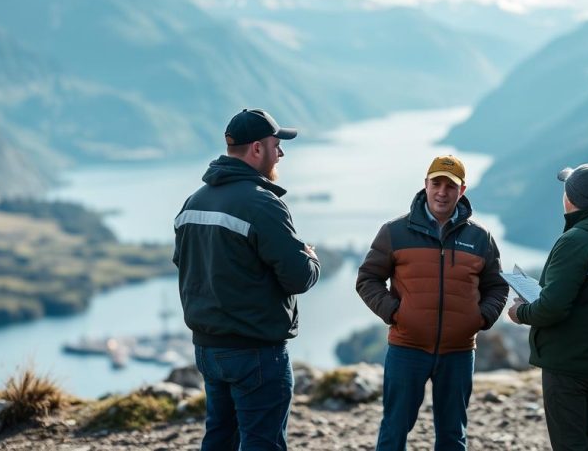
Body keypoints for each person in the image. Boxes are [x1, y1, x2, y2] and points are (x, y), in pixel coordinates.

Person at [173, 108, 320, 451]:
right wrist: (310, 258)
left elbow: (185, 264)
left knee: (219, 438)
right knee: (262, 443)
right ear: (257, 148)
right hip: (255, 350)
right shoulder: (262, 203)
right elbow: (298, 277)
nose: (281, 153)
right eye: (276, 144)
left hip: (208, 348)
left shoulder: (193, 202)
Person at [356, 155, 509, 451]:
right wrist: (395, 312)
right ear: (425, 185)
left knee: (453, 434)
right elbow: (367, 279)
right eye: (436, 183)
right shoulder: (395, 232)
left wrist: (480, 318)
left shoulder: (480, 238)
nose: (442, 192)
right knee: (394, 428)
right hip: (406, 349)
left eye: (450, 186)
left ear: (461, 190)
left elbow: (497, 286)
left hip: (459, 352)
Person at [508, 163, 588, 451]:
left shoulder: (575, 241)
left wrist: (521, 312)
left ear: (570, 198)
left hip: (566, 361)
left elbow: (552, 308)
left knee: (569, 442)